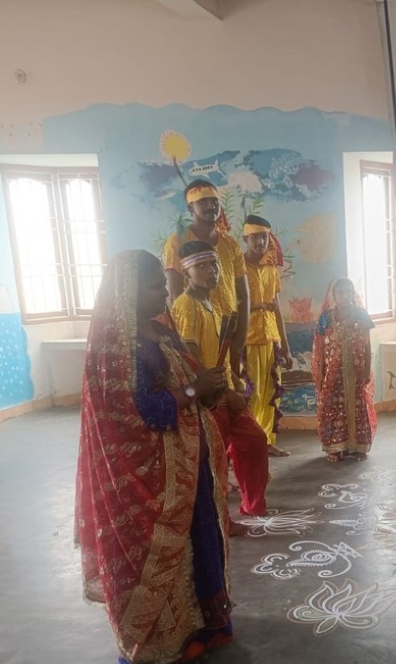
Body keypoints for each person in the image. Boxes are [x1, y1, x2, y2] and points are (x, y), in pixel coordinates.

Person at [75, 250, 234, 664]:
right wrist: (195, 389)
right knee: (166, 554)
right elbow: (140, 412)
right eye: (153, 287)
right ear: (127, 292)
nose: (163, 293)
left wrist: (207, 388)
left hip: (189, 466)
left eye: (163, 285)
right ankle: (165, 640)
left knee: (201, 540)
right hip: (152, 478)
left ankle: (205, 626)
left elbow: (187, 384)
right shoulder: (118, 348)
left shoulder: (162, 331)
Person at [171, 240, 269, 518]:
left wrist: (233, 379)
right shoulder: (186, 305)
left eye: (213, 264)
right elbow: (190, 357)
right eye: (201, 266)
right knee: (216, 460)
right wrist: (225, 392)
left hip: (223, 390)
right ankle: (221, 521)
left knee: (254, 440)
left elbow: (217, 355)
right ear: (187, 272)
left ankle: (252, 505)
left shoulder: (211, 303)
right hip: (209, 397)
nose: (211, 271)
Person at [163, 180, 249, 379]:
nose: (211, 206)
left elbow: (244, 295)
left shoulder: (231, 244)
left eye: (214, 201)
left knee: (231, 387)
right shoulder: (177, 242)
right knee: (204, 384)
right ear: (190, 207)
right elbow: (175, 295)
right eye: (203, 202)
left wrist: (240, 339)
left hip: (229, 330)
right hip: (197, 332)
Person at [242, 215, 293, 457]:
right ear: (246, 238)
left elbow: (277, 309)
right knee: (251, 394)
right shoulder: (238, 268)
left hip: (271, 340)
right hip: (248, 339)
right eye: (255, 237)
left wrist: (286, 347)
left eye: (264, 237)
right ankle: (247, 445)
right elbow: (234, 307)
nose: (260, 242)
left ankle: (266, 441)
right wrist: (259, 306)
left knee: (271, 392)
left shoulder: (271, 269)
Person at [312, 278, 377, 461]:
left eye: (348, 292)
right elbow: (320, 348)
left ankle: (359, 446)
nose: (344, 296)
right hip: (333, 371)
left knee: (358, 405)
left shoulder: (361, 315)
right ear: (334, 295)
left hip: (356, 371)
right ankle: (336, 446)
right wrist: (321, 373)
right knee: (333, 406)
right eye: (340, 292)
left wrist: (366, 370)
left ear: (352, 294)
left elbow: (367, 345)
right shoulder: (326, 318)